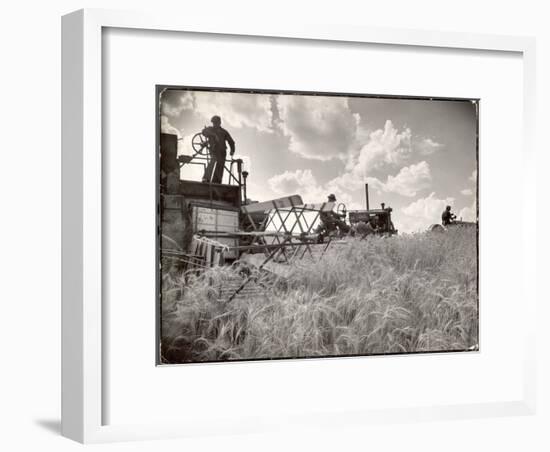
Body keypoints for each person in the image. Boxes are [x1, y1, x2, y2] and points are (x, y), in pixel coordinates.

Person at [201, 115, 235, 184]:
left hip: (222, 152)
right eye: (213, 123)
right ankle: (206, 179)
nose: (214, 124)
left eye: (216, 122)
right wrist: (213, 135)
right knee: (212, 162)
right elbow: (204, 132)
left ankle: (216, 181)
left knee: (220, 166)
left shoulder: (224, 132)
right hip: (213, 150)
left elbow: (231, 141)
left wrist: (232, 150)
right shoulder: (210, 129)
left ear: (219, 122)